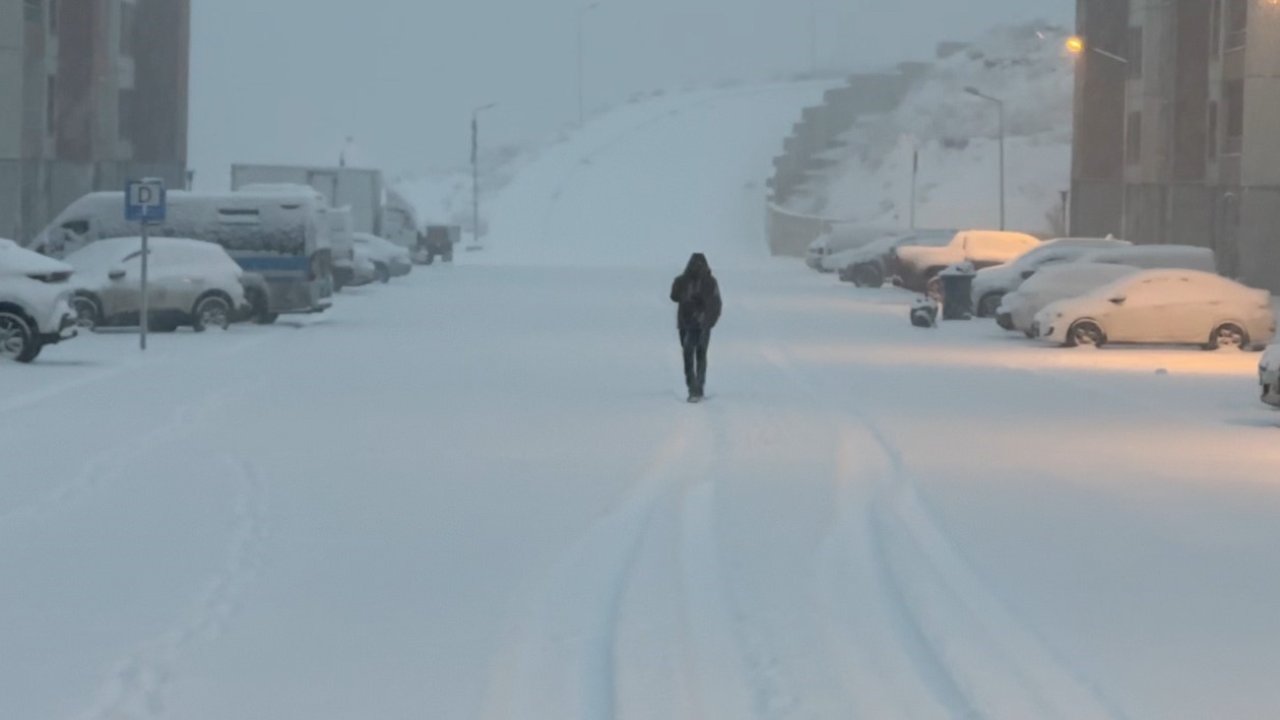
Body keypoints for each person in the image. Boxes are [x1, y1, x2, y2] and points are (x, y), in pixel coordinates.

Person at [670, 253, 722, 402]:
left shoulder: (684, 280)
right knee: (700, 354)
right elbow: (716, 304)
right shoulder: (709, 282)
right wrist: (709, 320)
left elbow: (673, 297)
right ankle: (698, 387)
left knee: (689, 354)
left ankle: (694, 387)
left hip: (690, 324)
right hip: (699, 324)